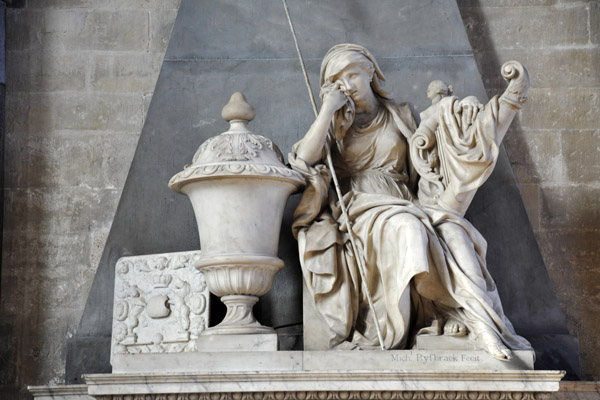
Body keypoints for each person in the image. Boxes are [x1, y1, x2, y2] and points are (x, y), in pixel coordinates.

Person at [289, 43, 532, 360]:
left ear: (371, 73)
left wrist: (462, 111)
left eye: (352, 74)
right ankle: (420, 325)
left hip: (411, 202)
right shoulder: (336, 125)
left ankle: (482, 323)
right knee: (408, 229)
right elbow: (304, 160)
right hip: (360, 209)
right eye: (338, 80)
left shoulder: (400, 114)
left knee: (457, 234)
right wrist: (326, 110)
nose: (347, 84)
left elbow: (433, 153)